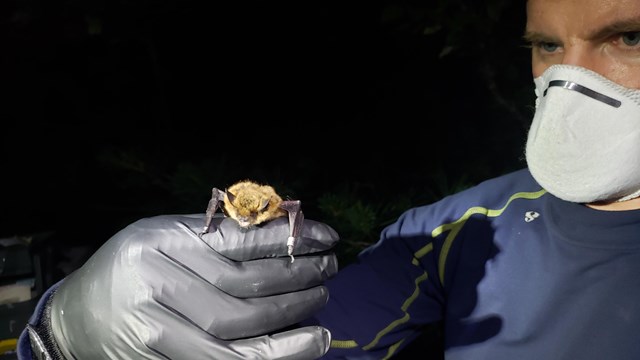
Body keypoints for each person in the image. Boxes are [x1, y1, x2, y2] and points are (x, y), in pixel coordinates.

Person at [17, 0, 640, 358]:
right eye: (547, 47)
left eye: (629, 38)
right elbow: (309, 339)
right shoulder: (455, 233)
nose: (570, 83)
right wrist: (64, 339)